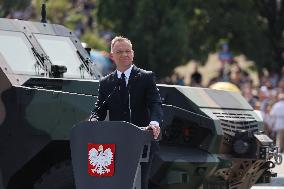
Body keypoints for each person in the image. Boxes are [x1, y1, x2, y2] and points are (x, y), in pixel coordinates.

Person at [90, 36, 163, 189]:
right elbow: (99, 110)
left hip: (143, 142)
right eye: (119, 52)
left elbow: (155, 103)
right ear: (112, 56)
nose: (124, 55)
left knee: (139, 184)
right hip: (116, 144)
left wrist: (154, 123)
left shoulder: (146, 77)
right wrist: (94, 120)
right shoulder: (106, 83)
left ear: (133, 54)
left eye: (127, 51)